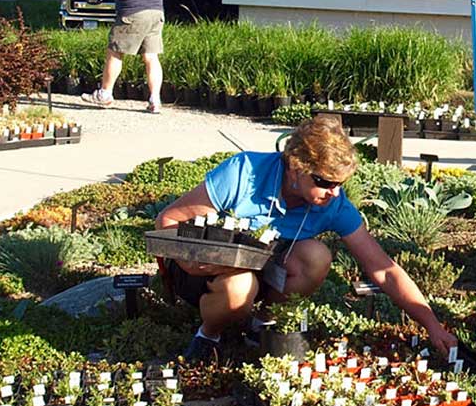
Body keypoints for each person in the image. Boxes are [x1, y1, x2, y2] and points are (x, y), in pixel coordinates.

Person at [155, 115, 457, 361]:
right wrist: (191, 264)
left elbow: (383, 269)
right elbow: (167, 220)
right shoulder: (243, 173)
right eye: (325, 182)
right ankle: (208, 335)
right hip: (202, 273)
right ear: (296, 167)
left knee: (317, 256)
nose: (334, 192)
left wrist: (431, 324)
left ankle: (262, 322)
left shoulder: (332, 203)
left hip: (260, 271)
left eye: (340, 183)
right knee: (239, 285)